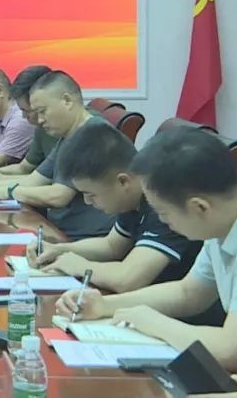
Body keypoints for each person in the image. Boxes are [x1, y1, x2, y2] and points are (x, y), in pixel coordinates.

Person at [55, 127, 237, 376]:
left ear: (199, 207)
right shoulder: (227, 218)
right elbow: (189, 293)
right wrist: (104, 306)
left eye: (163, 213)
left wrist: (153, 322)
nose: (162, 221)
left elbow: (231, 350)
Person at [29, 121, 202, 292]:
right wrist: (59, 250)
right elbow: (112, 246)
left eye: (91, 194)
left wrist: (80, 266)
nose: (88, 201)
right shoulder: (132, 199)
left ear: (123, 181)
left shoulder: (164, 204)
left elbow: (127, 279)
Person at [0, 71, 114, 240]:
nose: (40, 120)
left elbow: (58, 196)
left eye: (43, 111)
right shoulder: (68, 136)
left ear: (67, 101)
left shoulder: (93, 133)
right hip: (59, 228)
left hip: (83, 237)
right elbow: (33, 180)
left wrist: (10, 191)